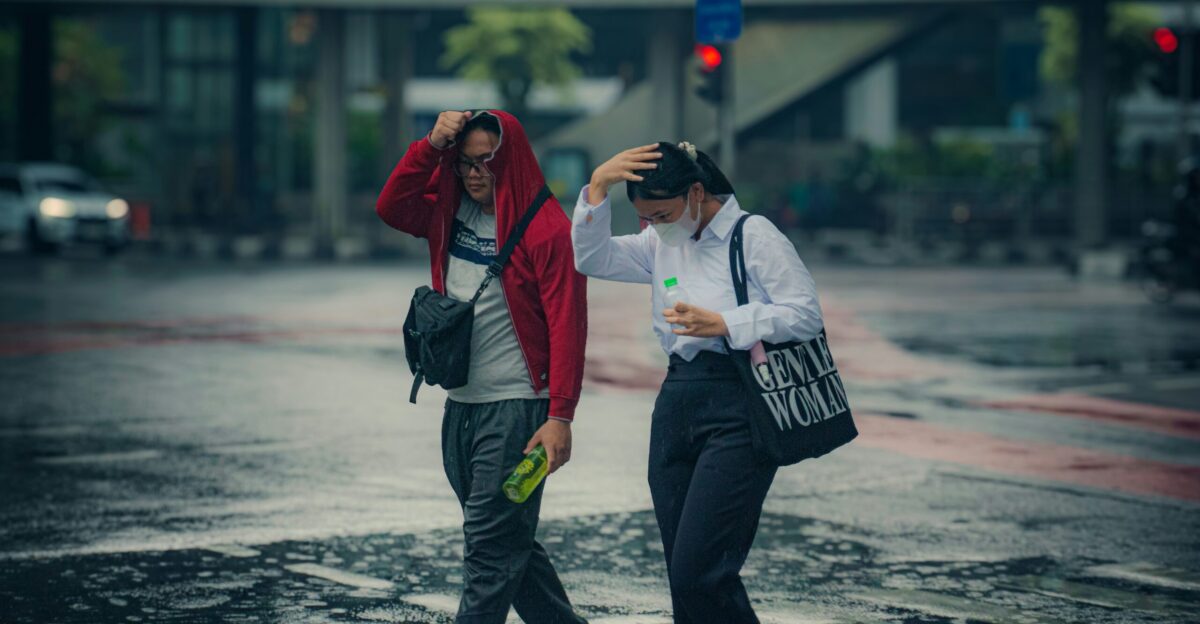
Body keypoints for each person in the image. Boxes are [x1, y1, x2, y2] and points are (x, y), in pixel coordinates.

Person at [571, 141, 824, 624]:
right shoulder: (660, 242)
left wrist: (727, 323)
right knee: (682, 572)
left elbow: (805, 315)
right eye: (646, 219)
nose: (654, 227)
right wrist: (598, 187)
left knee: (700, 573)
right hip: (677, 400)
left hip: (741, 401)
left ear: (696, 191)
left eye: (662, 214)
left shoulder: (754, 236)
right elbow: (592, 258)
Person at [376, 110, 589, 624]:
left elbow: (568, 326)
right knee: (505, 537)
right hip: (462, 405)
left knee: (489, 550)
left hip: (517, 409)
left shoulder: (548, 230)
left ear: (510, 161)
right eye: (466, 164)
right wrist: (429, 147)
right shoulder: (449, 211)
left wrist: (559, 417)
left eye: (487, 164)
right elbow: (390, 206)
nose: (475, 175)